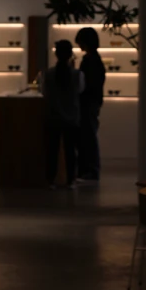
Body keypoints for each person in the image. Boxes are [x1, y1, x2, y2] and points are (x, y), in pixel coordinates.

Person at [42, 40, 84, 188]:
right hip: (71, 117)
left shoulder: (48, 74)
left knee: (52, 150)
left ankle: (50, 180)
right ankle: (71, 180)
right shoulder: (77, 74)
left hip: (53, 116)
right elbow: (80, 90)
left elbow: (44, 93)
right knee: (70, 150)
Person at [75, 27, 108, 182]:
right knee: (88, 136)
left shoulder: (89, 60)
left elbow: (85, 84)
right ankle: (89, 170)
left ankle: (89, 171)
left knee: (87, 137)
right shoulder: (95, 59)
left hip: (88, 103)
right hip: (92, 102)